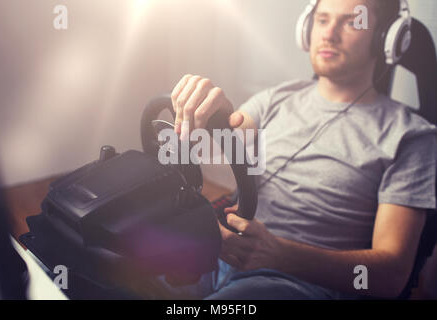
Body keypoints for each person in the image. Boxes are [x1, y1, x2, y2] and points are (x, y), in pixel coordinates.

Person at [162, 0, 437, 299]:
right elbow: (228, 143)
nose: (329, 34)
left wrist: (280, 255)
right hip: (217, 256)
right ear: (307, 28)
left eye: (351, 22)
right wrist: (214, 115)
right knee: (108, 260)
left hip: (300, 284)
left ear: (386, 37)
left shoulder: (411, 137)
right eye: (322, 20)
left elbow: (389, 280)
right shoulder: (275, 98)